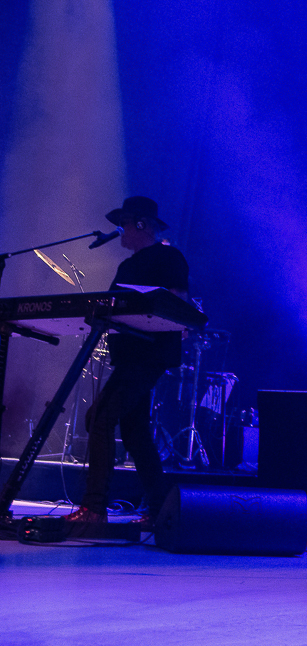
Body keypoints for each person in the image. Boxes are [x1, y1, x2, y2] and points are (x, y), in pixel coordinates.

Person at [65, 196, 189, 528]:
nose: (119, 229)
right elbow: (113, 305)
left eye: (124, 222)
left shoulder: (168, 257)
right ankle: (161, 510)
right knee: (135, 432)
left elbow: (179, 303)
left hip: (149, 354)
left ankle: (94, 508)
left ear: (142, 224)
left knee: (100, 417)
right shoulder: (127, 266)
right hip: (130, 355)